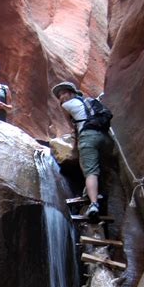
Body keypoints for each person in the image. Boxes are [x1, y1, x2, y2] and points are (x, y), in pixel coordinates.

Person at [52, 81, 113, 220]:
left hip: (88, 136)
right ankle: (95, 192)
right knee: (98, 166)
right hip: (106, 138)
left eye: (63, 93)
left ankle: (93, 204)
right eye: (60, 95)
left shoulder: (66, 106)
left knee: (90, 171)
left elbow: (74, 130)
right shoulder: (88, 103)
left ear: (72, 93)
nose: (61, 98)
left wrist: (74, 148)